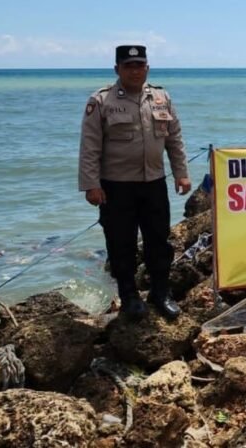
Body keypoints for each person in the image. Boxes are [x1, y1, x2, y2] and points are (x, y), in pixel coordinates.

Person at [79, 45, 191, 320]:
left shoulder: (161, 97)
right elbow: (90, 145)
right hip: (116, 186)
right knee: (121, 243)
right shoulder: (101, 100)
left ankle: (160, 292)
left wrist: (181, 172)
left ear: (148, 69)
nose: (135, 71)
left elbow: (174, 138)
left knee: (159, 240)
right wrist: (91, 184)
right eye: (129, 66)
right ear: (117, 69)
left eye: (140, 65)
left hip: (154, 182)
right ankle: (129, 296)